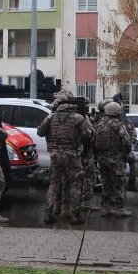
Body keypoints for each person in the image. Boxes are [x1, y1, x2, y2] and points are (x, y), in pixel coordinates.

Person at [38, 90, 90, 224]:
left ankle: (48, 213)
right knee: (75, 184)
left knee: (54, 184)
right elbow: (86, 135)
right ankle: (75, 215)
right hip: (72, 154)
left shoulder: (51, 117)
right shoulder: (78, 117)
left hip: (55, 155)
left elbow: (40, 132)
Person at [94, 102, 133, 218]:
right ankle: (119, 208)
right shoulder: (117, 124)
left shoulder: (99, 123)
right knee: (119, 184)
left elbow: (93, 139)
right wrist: (126, 152)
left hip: (102, 158)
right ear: (116, 112)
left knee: (106, 183)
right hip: (115, 159)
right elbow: (126, 142)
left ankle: (105, 208)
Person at [126, 121, 138, 192]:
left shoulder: (98, 121)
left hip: (100, 154)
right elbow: (131, 142)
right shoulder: (121, 124)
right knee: (136, 160)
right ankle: (131, 185)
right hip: (118, 153)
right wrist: (131, 131)